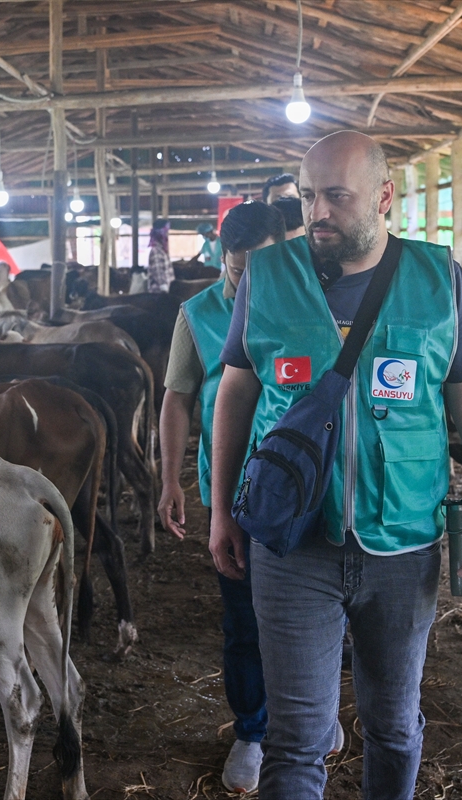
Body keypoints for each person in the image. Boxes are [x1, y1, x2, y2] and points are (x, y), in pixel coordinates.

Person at [209, 131, 462, 799]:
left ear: (383, 197)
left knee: (394, 726)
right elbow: (236, 392)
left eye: (336, 197)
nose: (317, 212)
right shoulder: (268, 275)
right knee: (296, 740)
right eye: (308, 196)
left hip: (403, 544)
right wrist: (222, 510)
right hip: (291, 544)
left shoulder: (438, 279)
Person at [158, 202, 285, 793]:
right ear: (223, 261)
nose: (248, 281)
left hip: (309, 485)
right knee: (243, 616)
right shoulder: (199, 314)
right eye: (238, 271)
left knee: (317, 610)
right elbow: (177, 398)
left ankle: (308, 711)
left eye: (262, 268)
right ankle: (253, 730)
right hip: (232, 490)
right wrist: (170, 479)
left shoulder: (313, 303)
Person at [146, 219, 173, 293]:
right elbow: (158, 271)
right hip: (159, 292)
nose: (167, 234)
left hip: (166, 289)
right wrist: (164, 288)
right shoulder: (156, 251)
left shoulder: (161, 250)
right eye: (166, 231)